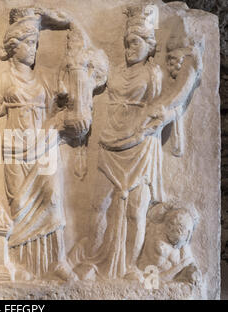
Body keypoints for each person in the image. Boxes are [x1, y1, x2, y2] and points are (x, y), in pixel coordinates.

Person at [0, 7, 76, 281]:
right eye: (30, 43)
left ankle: (57, 261)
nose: (34, 49)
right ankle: (19, 262)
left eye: (36, 43)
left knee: (53, 198)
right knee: (20, 205)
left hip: (43, 146)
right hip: (14, 149)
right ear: (15, 45)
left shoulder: (44, 79)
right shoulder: (5, 79)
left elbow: (57, 110)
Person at [71, 5, 164, 280]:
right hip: (109, 143)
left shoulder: (153, 75)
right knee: (99, 204)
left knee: (137, 210)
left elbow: (159, 111)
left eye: (136, 42)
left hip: (140, 147)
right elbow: (89, 78)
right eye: (127, 43)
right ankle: (91, 261)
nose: (129, 48)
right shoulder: (114, 71)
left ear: (149, 44)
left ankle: (130, 267)